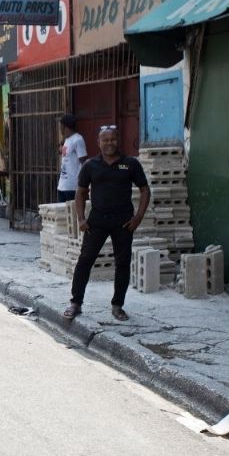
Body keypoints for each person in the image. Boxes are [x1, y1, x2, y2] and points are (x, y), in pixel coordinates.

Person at [65, 126, 150, 322]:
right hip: (97, 220)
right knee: (85, 260)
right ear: (98, 142)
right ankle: (75, 303)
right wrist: (81, 218)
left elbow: (145, 190)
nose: (109, 143)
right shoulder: (90, 165)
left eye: (112, 139)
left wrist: (138, 218)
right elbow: (80, 192)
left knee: (122, 263)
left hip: (124, 221)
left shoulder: (130, 164)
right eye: (105, 140)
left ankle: (117, 305)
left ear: (117, 140)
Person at [57, 114, 88, 202]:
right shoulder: (67, 139)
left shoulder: (78, 139)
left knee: (72, 214)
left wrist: (84, 183)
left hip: (73, 186)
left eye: (60, 126)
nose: (60, 129)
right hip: (62, 185)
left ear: (64, 126)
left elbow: (84, 161)